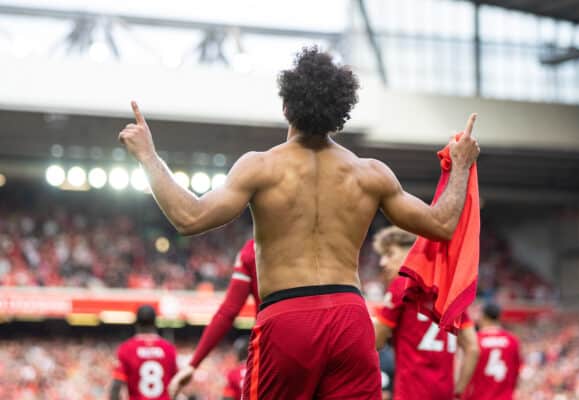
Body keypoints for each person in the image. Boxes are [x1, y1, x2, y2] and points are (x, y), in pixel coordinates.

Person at [117, 46, 480, 399]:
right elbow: (442, 223)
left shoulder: (260, 166)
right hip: (351, 318)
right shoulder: (371, 173)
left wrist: (148, 157)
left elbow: (189, 217)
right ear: (342, 111)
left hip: (287, 318)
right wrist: (461, 166)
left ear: (286, 105)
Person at [372, 226, 480, 399]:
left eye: (390, 254)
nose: (382, 262)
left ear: (411, 253)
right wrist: (458, 392)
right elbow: (473, 348)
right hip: (444, 394)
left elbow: (376, 341)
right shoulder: (449, 290)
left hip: (411, 393)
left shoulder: (402, 285)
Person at [168, 239, 258, 397]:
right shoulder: (312, 240)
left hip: (274, 350)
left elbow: (227, 312)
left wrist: (193, 364)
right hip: (315, 340)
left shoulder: (252, 250)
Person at [110, 305, 178, 400]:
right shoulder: (168, 349)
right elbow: (176, 384)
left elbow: (116, 387)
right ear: (155, 322)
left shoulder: (127, 348)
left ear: (136, 323)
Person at [462, 303, 521, 400]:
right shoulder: (512, 341)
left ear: (483, 316)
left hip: (478, 397)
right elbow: (516, 372)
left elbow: (466, 372)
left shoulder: (475, 341)